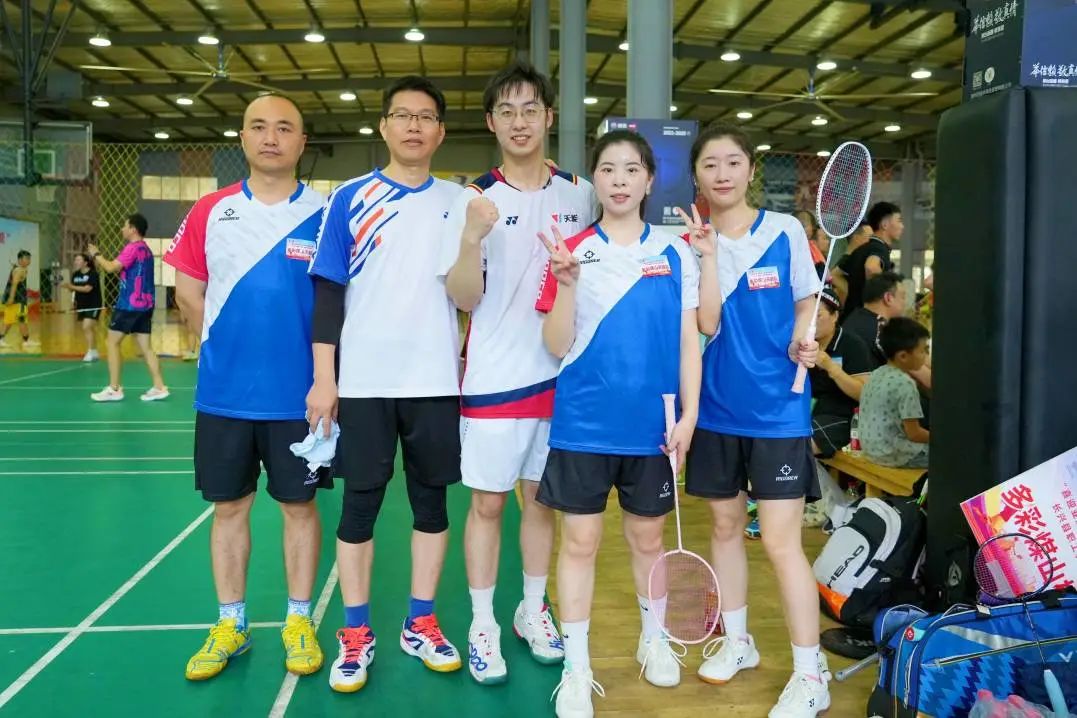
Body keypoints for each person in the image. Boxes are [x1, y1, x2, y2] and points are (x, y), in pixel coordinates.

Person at [534, 130, 703, 715]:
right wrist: (567, 285)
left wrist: (690, 416)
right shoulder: (572, 250)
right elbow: (555, 344)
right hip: (583, 423)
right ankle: (577, 667)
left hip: (653, 427)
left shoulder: (676, 252)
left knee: (648, 540)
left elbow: (689, 340)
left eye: (632, 169)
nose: (620, 180)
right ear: (595, 180)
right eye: (608, 169)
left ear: (649, 180)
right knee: (579, 543)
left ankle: (653, 638)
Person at [306, 76, 465, 693]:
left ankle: (420, 622)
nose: (414, 126)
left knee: (432, 506)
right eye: (403, 115)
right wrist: (325, 379)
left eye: (426, 117)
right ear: (384, 127)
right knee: (359, 508)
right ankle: (355, 632)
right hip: (365, 381)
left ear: (441, 131)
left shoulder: (461, 202)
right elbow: (327, 295)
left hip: (435, 381)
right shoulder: (349, 197)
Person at [438, 60, 596, 684]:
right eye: (507, 111)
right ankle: (482, 624)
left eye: (531, 109)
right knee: (487, 503)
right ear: (491, 122)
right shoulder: (474, 199)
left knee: (540, 500)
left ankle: (533, 610)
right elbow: (462, 297)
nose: (520, 121)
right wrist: (471, 240)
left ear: (549, 116)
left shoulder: (581, 193)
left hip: (562, 378)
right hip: (494, 379)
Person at [164, 93, 331, 682]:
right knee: (229, 506)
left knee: (299, 507)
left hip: (301, 398)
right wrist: (222, 348)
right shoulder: (210, 210)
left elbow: (338, 304)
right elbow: (187, 291)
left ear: (301, 142)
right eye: (258, 127)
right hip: (225, 396)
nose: (270, 137)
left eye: (284, 128)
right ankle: (231, 623)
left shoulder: (326, 213)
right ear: (242, 138)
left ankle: (298, 620)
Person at [681, 123, 829, 718]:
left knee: (779, 541)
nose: (722, 173)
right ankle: (738, 640)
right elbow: (706, 324)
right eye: (710, 163)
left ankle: (810, 673)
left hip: (777, 412)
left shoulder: (785, 230)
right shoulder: (692, 242)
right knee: (723, 528)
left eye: (733, 161)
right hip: (716, 409)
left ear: (750, 169)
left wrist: (803, 337)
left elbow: (806, 302)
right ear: (696, 175)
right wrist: (707, 256)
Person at [87, 215, 169, 402]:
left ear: (133, 229)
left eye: (125, 226)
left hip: (129, 305)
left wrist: (96, 254)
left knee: (112, 342)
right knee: (146, 347)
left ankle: (114, 388)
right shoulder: (146, 250)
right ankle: (159, 386)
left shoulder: (132, 248)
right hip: (145, 305)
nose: (122, 229)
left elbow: (110, 267)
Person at [858, 317, 931, 468]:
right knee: (952, 455)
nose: (926, 356)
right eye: (923, 351)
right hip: (892, 453)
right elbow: (914, 434)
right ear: (903, 356)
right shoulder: (905, 384)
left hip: (870, 449)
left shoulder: (877, 373)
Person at [809, 285, 873, 458]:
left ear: (835, 316)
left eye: (818, 315)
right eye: (806, 315)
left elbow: (864, 394)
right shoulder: (802, 342)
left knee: (799, 443)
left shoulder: (852, 345)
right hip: (808, 411)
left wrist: (831, 367)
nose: (810, 321)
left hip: (842, 418)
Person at [838, 201, 902, 318]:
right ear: (885, 225)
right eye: (899, 221)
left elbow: (835, 275)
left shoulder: (863, 249)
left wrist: (851, 295)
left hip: (850, 317)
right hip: (864, 319)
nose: (902, 226)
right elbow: (871, 267)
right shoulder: (879, 248)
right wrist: (879, 301)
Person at [842, 271, 907, 367]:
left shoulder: (853, 318)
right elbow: (914, 367)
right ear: (888, 298)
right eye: (903, 297)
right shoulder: (882, 330)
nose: (905, 303)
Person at [61, 252, 102, 361]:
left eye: (78, 260)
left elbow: (87, 289)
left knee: (86, 326)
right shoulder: (75, 274)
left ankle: (90, 351)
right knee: (89, 328)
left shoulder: (93, 274)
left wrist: (71, 286)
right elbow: (73, 289)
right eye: (75, 260)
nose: (76, 262)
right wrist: (67, 287)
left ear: (85, 263)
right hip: (81, 305)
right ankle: (94, 351)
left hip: (93, 304)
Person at [1, 250, 37, 351]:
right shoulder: (19, 270)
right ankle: (26, 341)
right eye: (27, 258)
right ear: (20, 260)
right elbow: (14, 284)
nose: (29, 261)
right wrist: (11, 298)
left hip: (15, 300)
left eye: (29, 259)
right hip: (17, 300)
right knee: (21, 320)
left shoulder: (20, 269)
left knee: (10, 321)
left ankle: (1, 339)